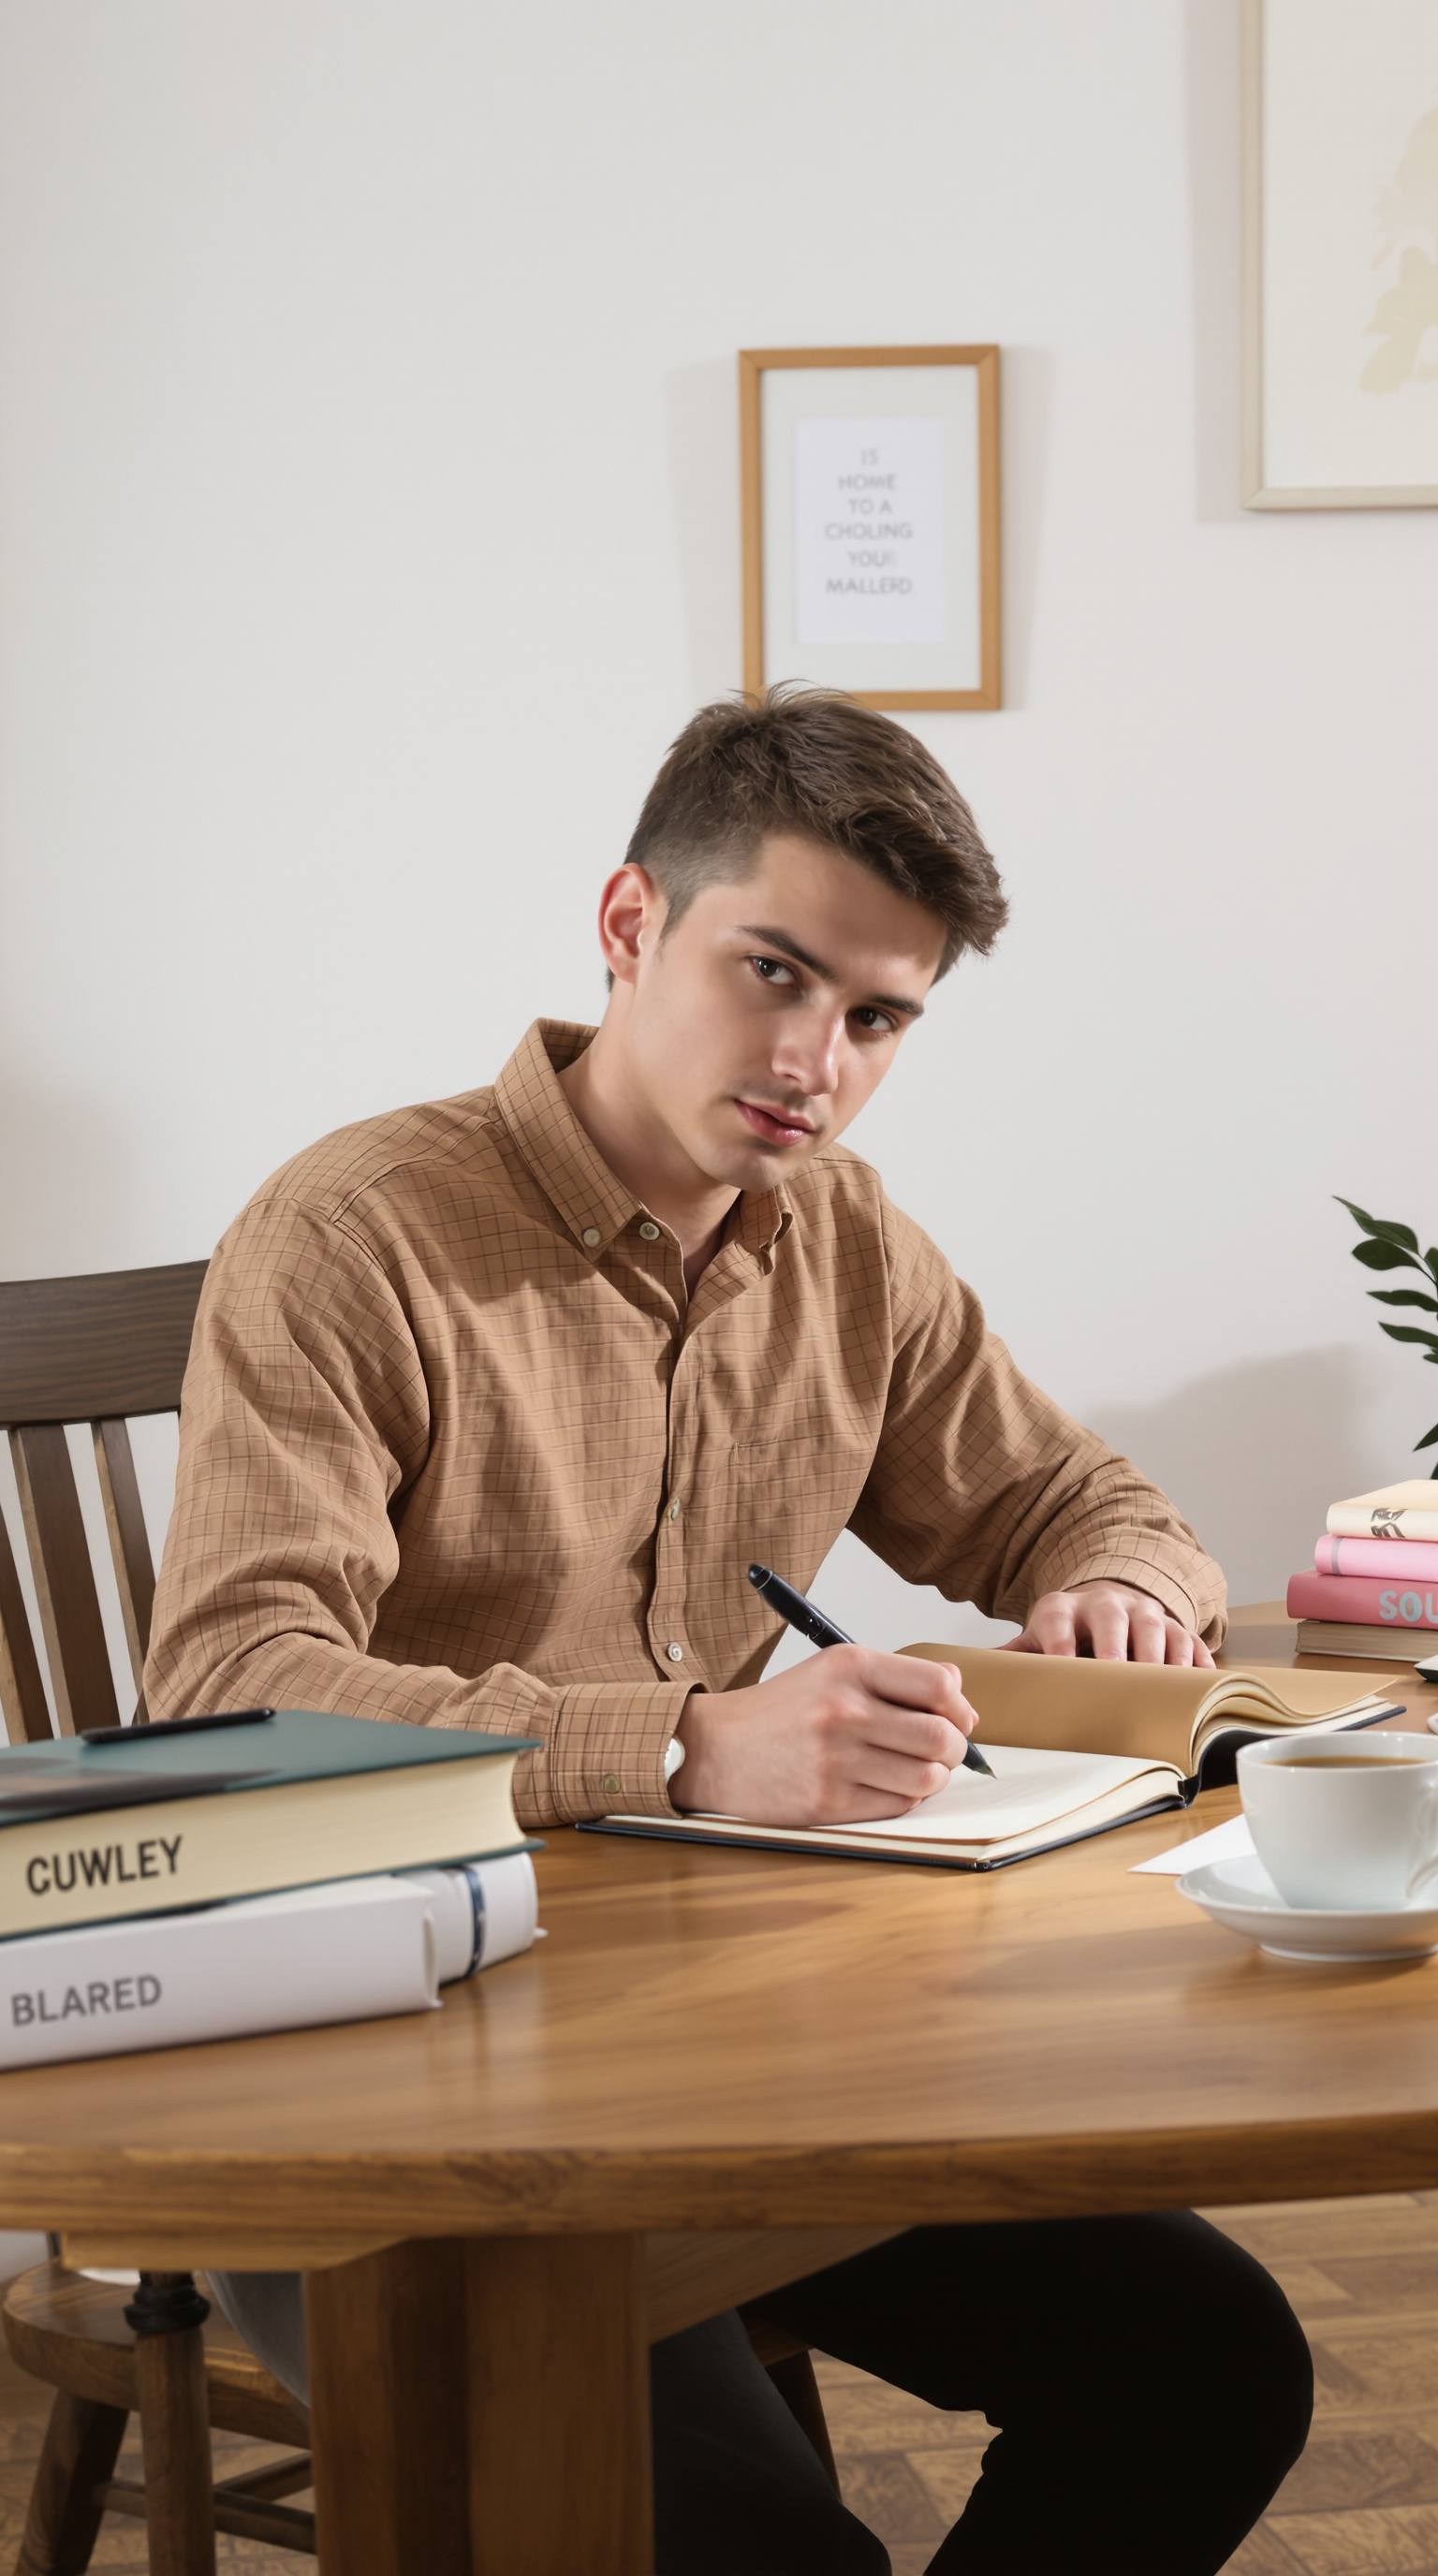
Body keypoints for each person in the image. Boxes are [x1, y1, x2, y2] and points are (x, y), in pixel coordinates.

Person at [146, 687, 1311, 2572]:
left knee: (1213, 2362)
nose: (815, 1059)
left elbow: (1086, 1502)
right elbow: (226, 1691)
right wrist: (690, 1741)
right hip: (364, 2061)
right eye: (773, 972)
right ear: (630, 925)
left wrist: (1127, 1586)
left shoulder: (847, 1239)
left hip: (709, 2029)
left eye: (876, 1017)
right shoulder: (352, 1232)